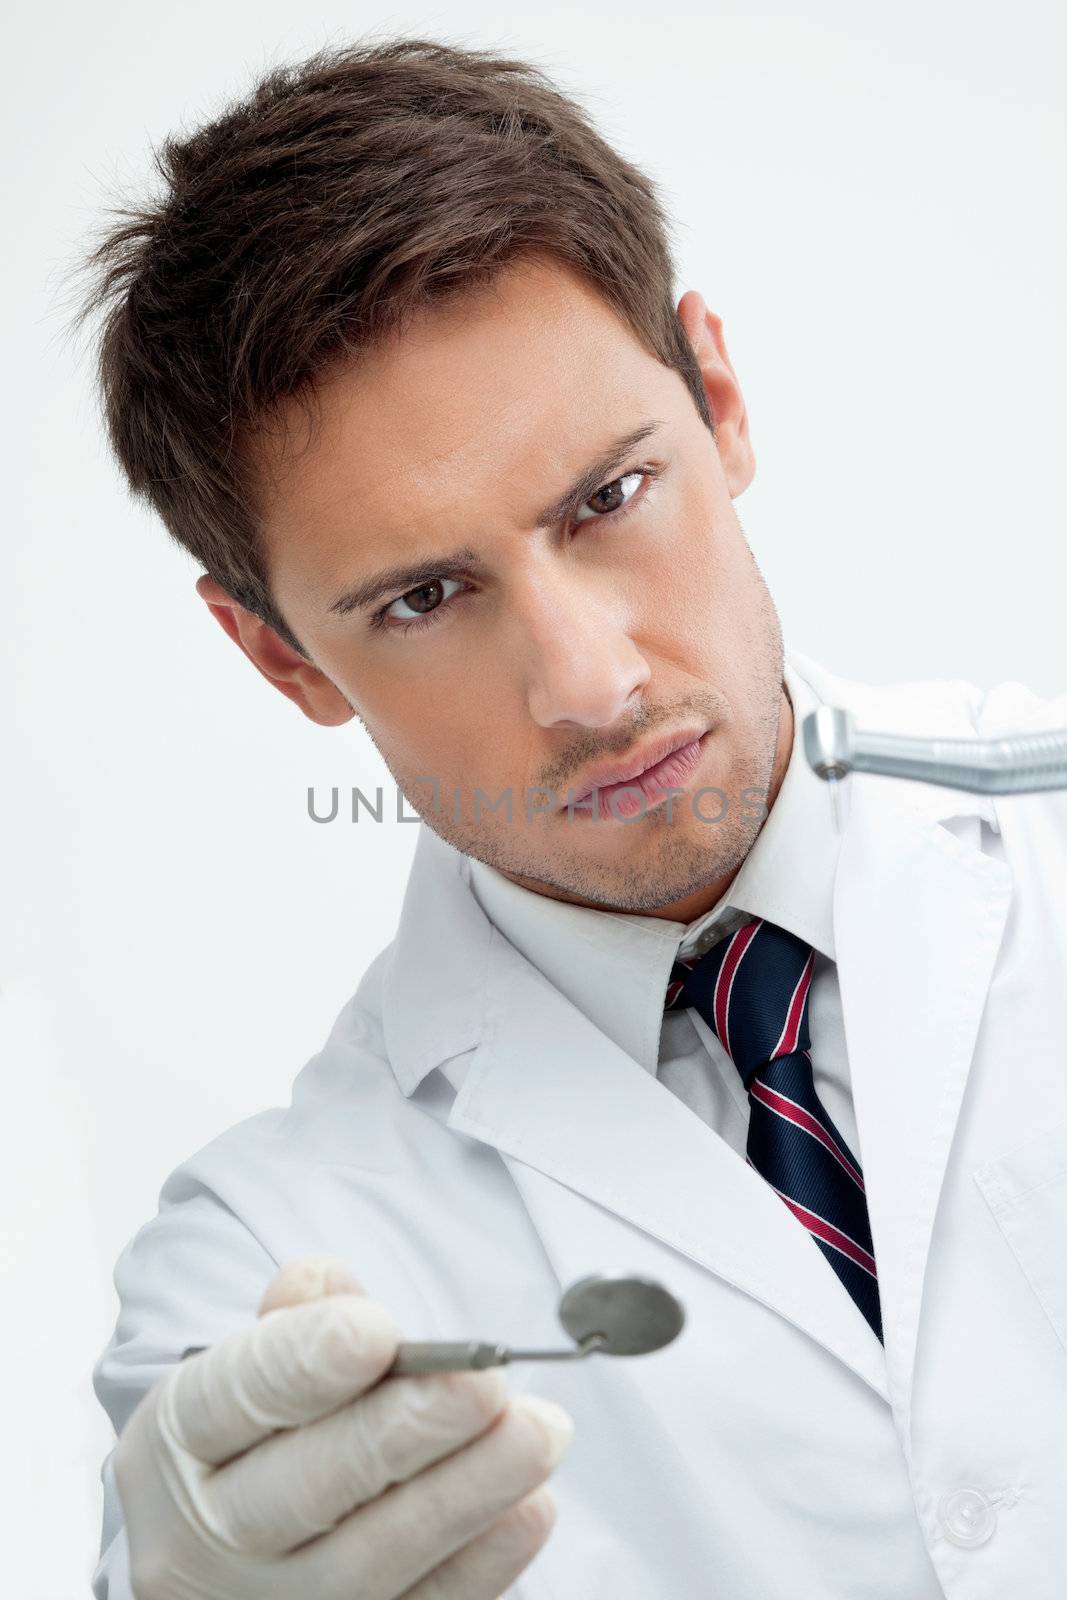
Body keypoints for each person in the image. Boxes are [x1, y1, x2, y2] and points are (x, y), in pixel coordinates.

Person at [82, 36, 1067, 1600]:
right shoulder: (263, 1260)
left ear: (721, 400)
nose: (591, 687)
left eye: (607, 499)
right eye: (424, 596)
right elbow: (184, 1518)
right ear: (281, 657)